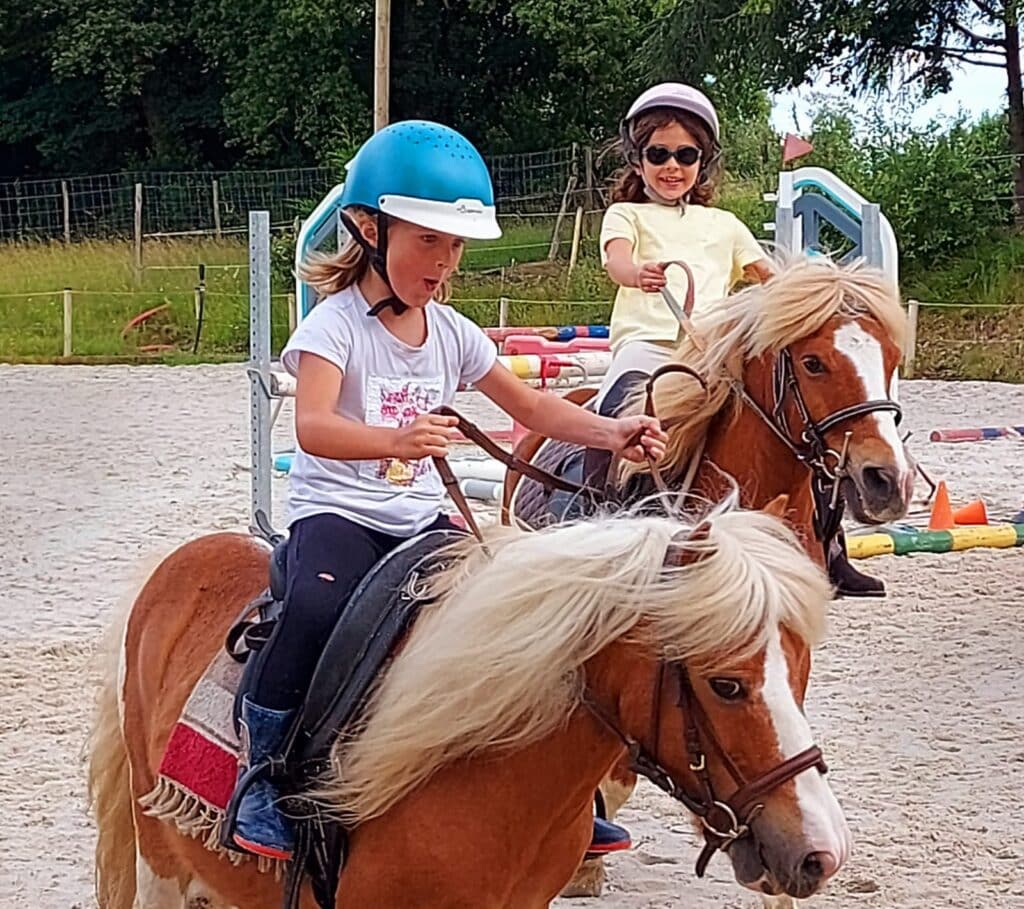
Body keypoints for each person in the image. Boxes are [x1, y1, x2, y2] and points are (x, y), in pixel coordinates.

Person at [230, 120, 665, 862]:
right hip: (338, 511)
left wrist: (613, 432)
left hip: (419, 517)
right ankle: (262, 772)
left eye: (455, 245)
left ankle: (560, 792)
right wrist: (395, 441)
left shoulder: (451, 331)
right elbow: (312, 427)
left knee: (520, 614)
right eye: (428, 239)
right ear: (369, 228)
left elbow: (529, 409)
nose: (445, 261)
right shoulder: (333, 328)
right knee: (313, 605)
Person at [594, 83, 884, 596]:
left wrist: (815, 305)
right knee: (623, 416)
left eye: (686, 155)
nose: (671, 166)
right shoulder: (627, 215)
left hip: (712, 353)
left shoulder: (724, 224)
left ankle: (830, 544)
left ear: (702, 164)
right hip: (649, 347)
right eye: (657, 154)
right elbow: (616, 259)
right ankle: (607, 515)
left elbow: (768, 278)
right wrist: (638, 272)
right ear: (637, 161)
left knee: (799, 424)